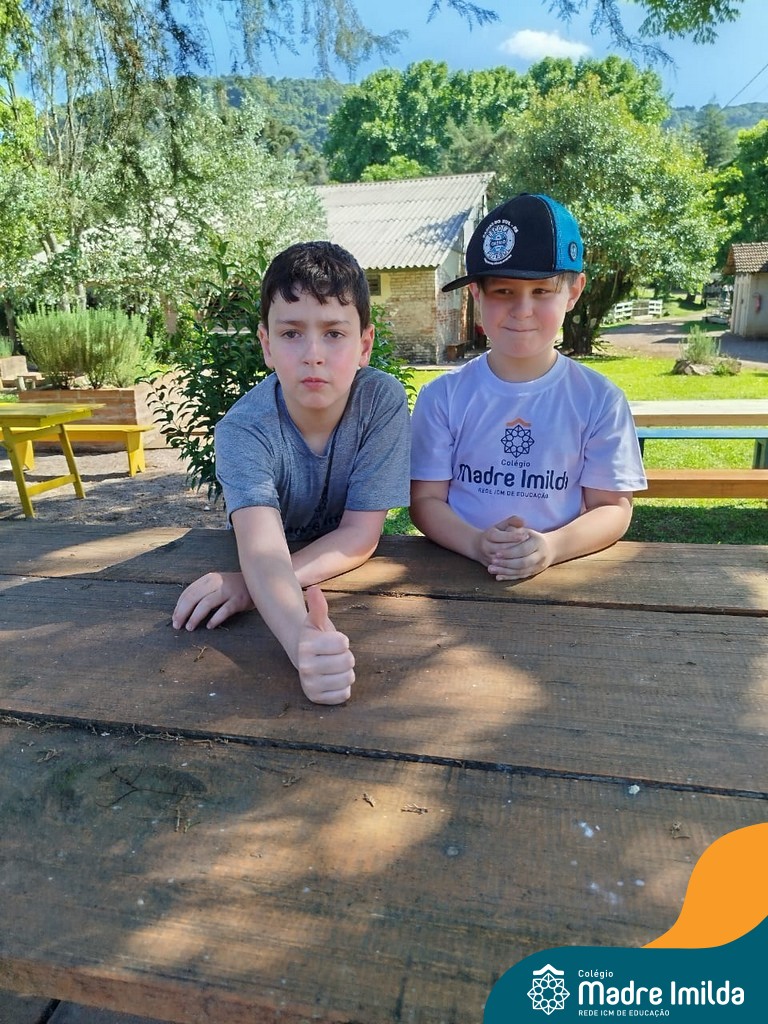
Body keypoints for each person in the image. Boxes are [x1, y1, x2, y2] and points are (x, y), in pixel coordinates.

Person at [172, 241, 411, 705]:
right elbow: (262, 551)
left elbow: (361, 534)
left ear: (364, 345)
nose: (313, 354)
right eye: (291, 333)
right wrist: (303, 641)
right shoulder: (243, 430)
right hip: (279, 568)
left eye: (334, 333)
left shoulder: (380, 401)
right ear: (266, 344)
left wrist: (251, 587)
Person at [410, 192, 647, 581]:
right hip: (453, 576)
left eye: (541, 291)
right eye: (503, 291)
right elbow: (425, 499)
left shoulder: (600, 400)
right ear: (476, 293)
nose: (522, 310)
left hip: (558, 582)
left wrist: (552, 547)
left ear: (573, 292)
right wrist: (475, 543)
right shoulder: (442, 397)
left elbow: (613, 508)